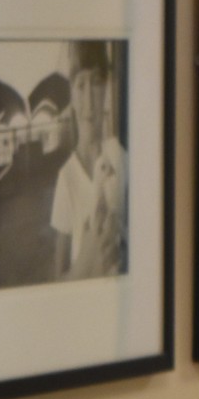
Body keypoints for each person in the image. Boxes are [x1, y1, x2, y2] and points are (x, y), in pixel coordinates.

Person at [51, 41, 128, 280]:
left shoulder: (120, 155)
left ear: (106, 88)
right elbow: (56, 281)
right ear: (72, 95)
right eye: (80, 84)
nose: (89, 100)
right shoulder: (67, 178)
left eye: (96, 82)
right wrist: (86, 263)